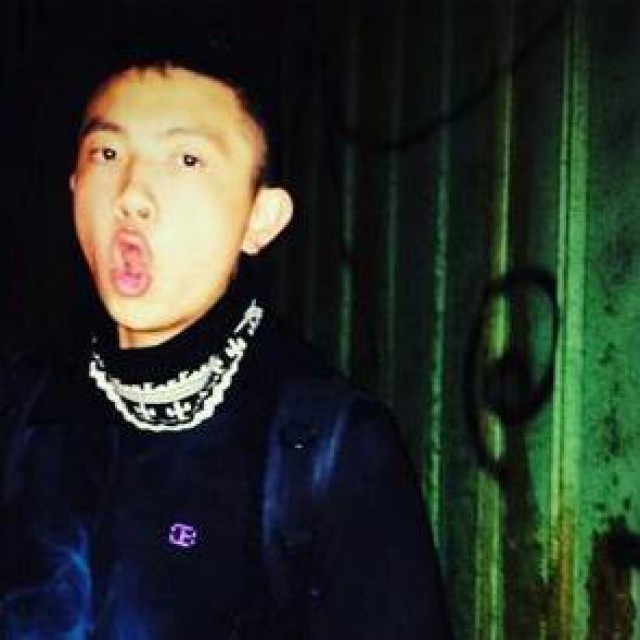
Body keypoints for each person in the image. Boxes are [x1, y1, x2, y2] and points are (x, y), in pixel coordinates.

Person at [0, 34, 453, 640]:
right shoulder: (25, 403)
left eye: (187, 160)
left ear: (260, 219)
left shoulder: (326, 449)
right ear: (75, 186)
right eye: (106, 153)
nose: (131, 195)